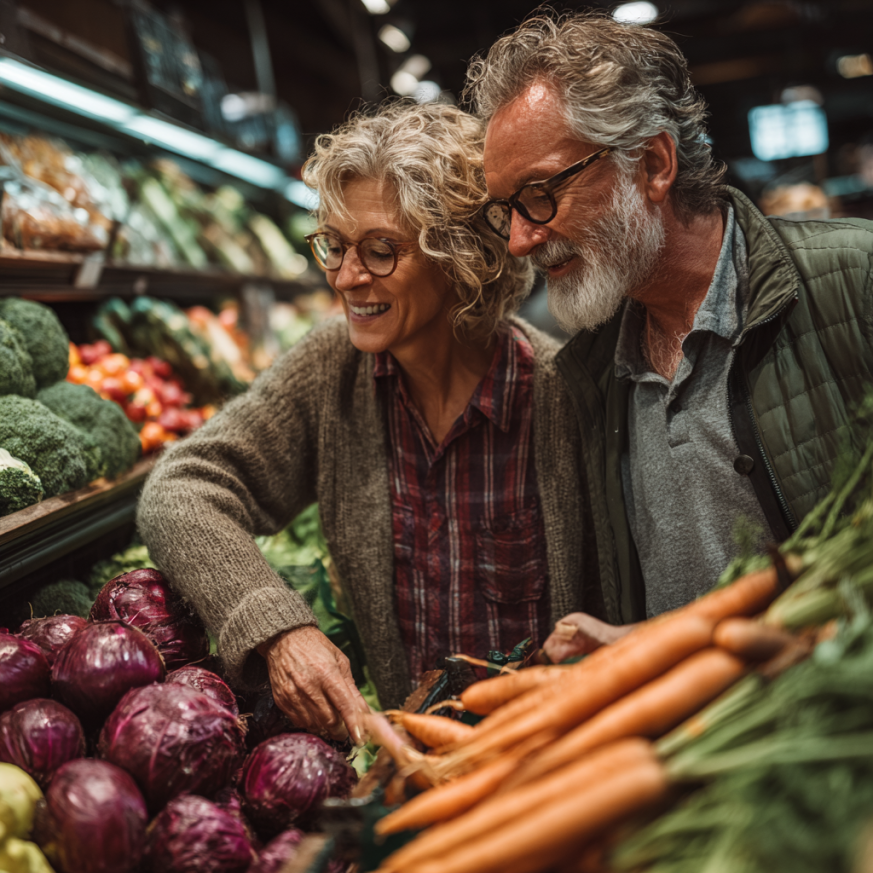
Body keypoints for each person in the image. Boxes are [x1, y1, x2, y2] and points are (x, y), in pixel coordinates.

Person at [137, 101, 601, 742]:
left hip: (549, 763)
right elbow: (181, 489)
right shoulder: (333, 373)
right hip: (402, 759)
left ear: (461, 257)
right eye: (333, 245)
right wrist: (275, 627)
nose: (347, 277)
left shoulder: (563, 397)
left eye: (381, 250)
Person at [466, 12, 873, 661]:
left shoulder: (854, 283)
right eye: (504, 209)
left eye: (539, 194)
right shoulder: (591, 373)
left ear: (653, 163)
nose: (519, 238)